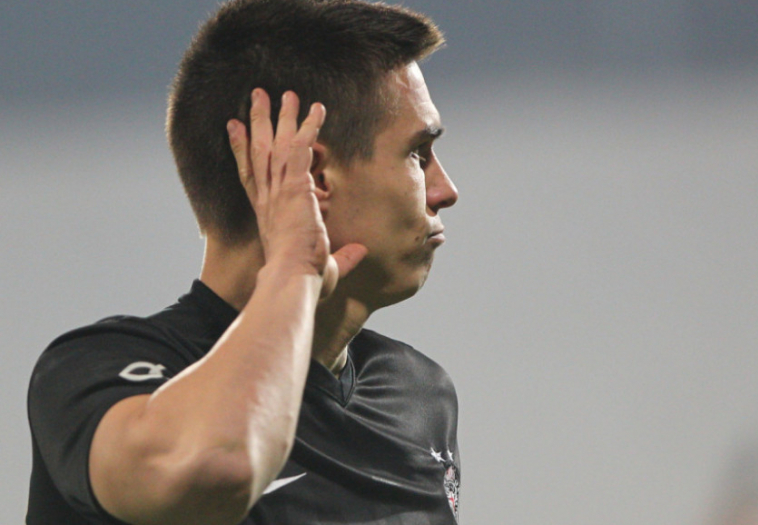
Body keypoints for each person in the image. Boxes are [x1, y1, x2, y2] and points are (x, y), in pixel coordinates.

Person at [26, 0, 460, 523]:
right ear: (312, 178)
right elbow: (216, 468)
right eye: (418, 154)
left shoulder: (418, 393)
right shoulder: (91, 371)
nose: (445, 190)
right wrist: (294, 269)